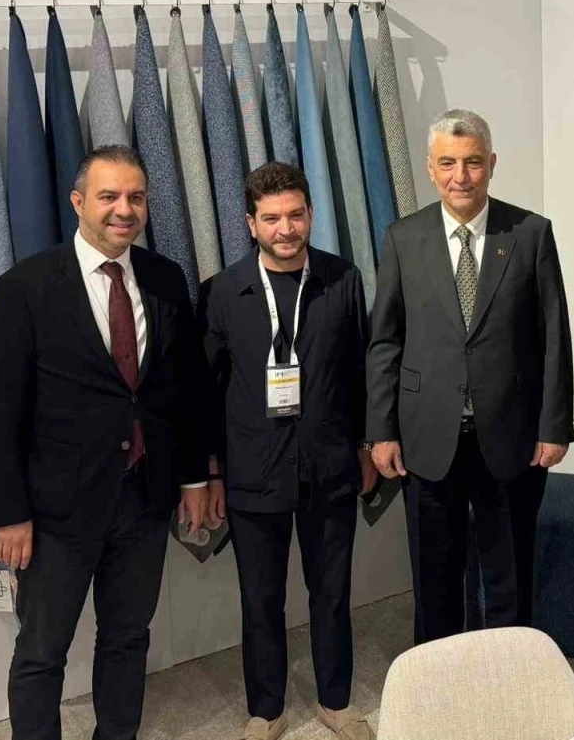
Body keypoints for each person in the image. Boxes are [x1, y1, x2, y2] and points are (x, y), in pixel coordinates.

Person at [0, 145, 207, 740]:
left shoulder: (165, 278)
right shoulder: (25, 286)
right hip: (56, 511)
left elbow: (182, 390)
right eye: (109, 196)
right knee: (41, 651)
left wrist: (194, 477)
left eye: (136, 197)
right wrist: (10, 514)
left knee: (128, 638)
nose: (124, 209)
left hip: (144, 500)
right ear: (78, 202)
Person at [366, 108, 574, 643]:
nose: (461, 176)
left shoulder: (530, 233)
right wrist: (381, 430)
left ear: (492, 164)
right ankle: (440, 679)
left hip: (510, 434)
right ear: (430, 168)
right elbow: (385, 340)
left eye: (473, 162)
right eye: (448, 163)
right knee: (434, 578)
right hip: (426, 436)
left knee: (509, 574)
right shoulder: (402, 238)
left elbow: (554, 336)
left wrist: (555, 426)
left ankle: (509, 675)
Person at [198, 162, 376, 740]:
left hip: (330, 466)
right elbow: (206, 391)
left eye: (296, 215)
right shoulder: (222, 292)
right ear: (251, 223)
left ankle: (335, 701)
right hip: (254, 471)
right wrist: (211, 470)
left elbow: (361, 371)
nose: (285, 228)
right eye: (271, 218)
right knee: (261, 599)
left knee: (332, 593)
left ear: (311, 215)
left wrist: (366, 445)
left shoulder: (343, 279)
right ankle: (266, 709)